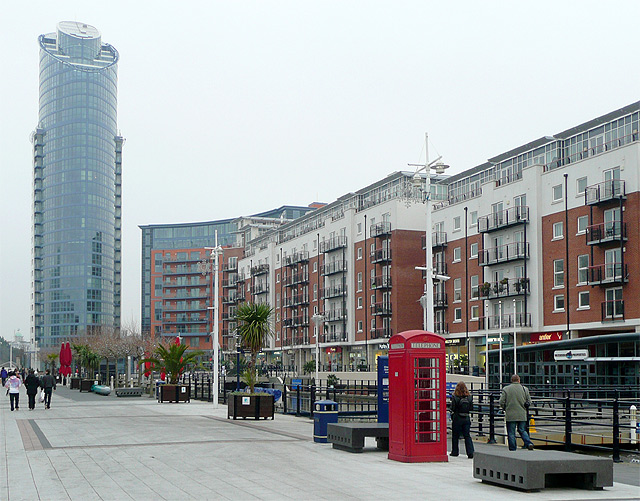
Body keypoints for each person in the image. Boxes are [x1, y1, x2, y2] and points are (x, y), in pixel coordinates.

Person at [499, 374, 534, 451]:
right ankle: (528, 443)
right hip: (522, 413)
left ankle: (513, 448)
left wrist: (505, 408)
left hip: (510, 414)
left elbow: (501, 401)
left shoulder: (506, 389)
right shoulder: (525, 389)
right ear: (519, 380)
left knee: (511, 432)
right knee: (522, 430)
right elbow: (529, 401)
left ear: (511, 380)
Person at [449, 381, 474, 458]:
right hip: (466, 418)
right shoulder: (469, 397)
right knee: (467, 436)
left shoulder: (455, 397)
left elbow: (452, 408)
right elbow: (471, 408)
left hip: (457, 418)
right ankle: (470, 452)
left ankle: (455, 452)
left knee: (455, 436)